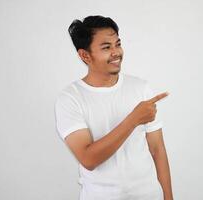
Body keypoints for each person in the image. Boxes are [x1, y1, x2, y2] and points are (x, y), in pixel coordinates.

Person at [54, 15, 174, 200]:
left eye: (117, 44)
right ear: (85, 55)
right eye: (106, 47)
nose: (116, 52)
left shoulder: (141, 88)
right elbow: (88, 159)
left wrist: (168, 197)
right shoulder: (70, 98)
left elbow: (158, 150)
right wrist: (134, 119)